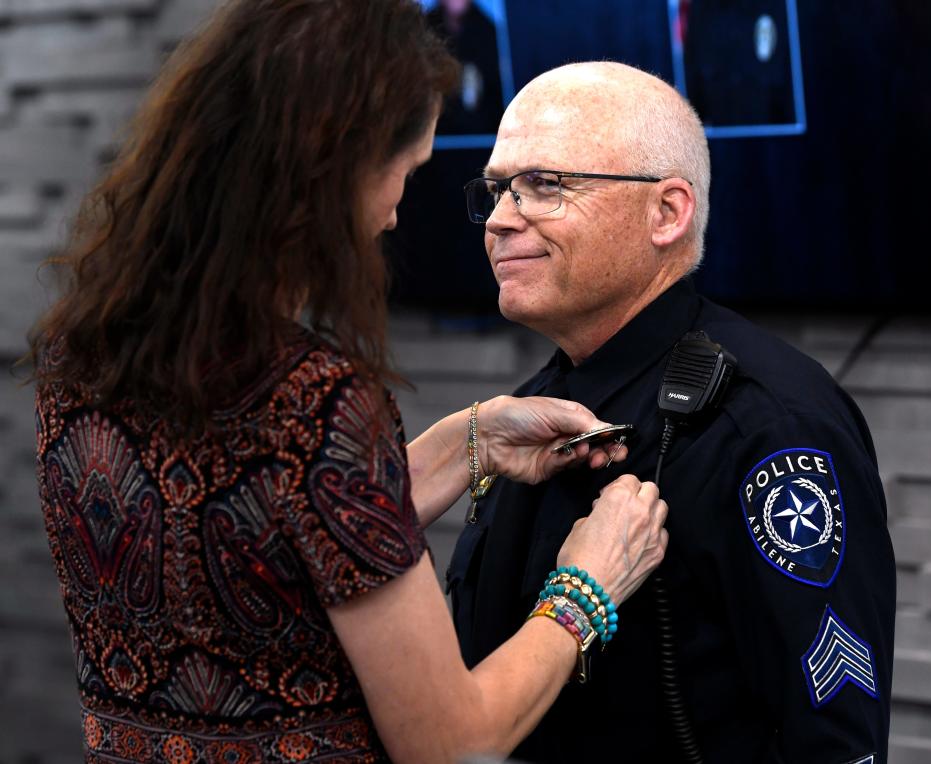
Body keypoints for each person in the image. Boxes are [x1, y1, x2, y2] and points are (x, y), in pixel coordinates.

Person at [26, 7, 670, 763]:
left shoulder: (82, 356)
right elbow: (449, 741)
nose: (395, 214)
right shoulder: (317, 404)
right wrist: (586, 586)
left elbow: (265, 532)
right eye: (401, 173)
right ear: (335, 169)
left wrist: (474, 440)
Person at [451, 61, 895, 763]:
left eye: (545, 186)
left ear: (667, 212)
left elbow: (832, 739)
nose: (502, 219)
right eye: (500, 189)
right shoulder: (532, 412)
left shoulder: (769, 421)